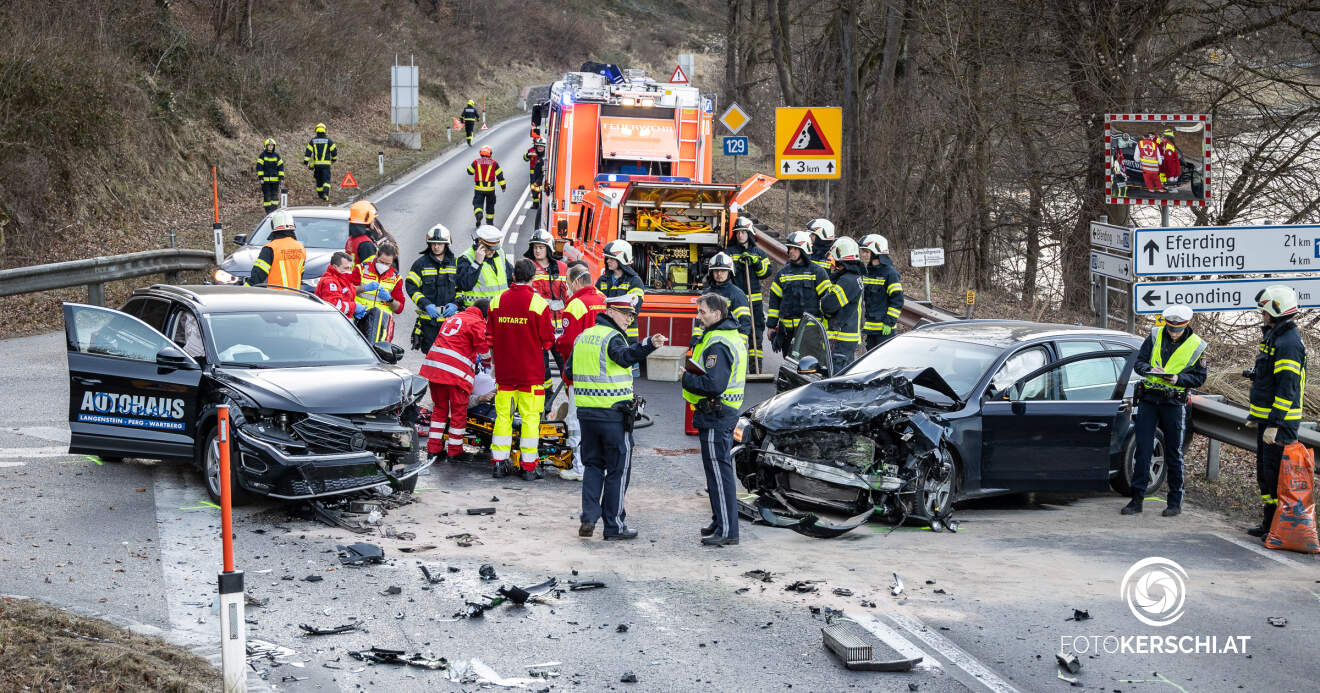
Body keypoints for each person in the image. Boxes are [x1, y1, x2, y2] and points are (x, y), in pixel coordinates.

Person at [574, 294, 666, 540]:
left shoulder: (583, 337)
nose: (629, 319)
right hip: (613, 415)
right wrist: (647, 344)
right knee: (618, 469)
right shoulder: (612, 337)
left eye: (632, 315)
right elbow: (624, 357)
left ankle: (589, 517)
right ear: (611, 311)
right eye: (626, 314)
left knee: (593, 466)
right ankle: (614, 526)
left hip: (586, 414)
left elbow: (568, 370)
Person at [1120, 305, 1206, 517]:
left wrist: (1179, 379)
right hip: (1150, 400)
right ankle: (1136, 500)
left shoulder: (1197, 345)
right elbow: (1138, 363)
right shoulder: (1156, 334)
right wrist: (1150, 370)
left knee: (1174, 453)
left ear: (1186, 326)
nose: (1173, 332)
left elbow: (1200, 377)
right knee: (1143, 449)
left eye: (1177, 329)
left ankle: (1175, 502)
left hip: (1174, 404)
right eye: (1170, 328)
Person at [682, 293, 748, 547]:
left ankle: (728, 531)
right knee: (715, 472)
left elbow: (713, 383)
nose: (698, 316)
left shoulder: (719, 343)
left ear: (717, 315)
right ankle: (720, 521)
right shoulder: (720, 336)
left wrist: (686, 377)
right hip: (719, 412)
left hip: (716, 412)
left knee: (719, 473)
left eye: (703, 312)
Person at [1245, 285, 1307, 539]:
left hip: (1280, 424)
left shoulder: (1288, 343)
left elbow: (1287, 388)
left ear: (1276, 310)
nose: (1262, 313)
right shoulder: (1275, 336)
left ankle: (1279, 528)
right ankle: (1269, 524)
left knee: (1277, 477)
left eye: (1265, 309)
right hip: (1268, 421)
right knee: (1266, 474)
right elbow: (1271, 377)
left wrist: (1274, 424)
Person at [487, 259, 556, 480]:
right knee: (530, 419)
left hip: (505, 373)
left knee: (503, 418)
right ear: (533, 277)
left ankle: (499, 463)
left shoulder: (496, 301)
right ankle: (528, 467)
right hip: (530, 375)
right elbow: (547, 341)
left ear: (513, 276)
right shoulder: (539, 304)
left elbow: (490, 337)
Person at [419, 300, 491, 463]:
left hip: (435, 370)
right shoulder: (477, 322)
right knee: (459, 412)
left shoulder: (454, 317)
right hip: (455, 373)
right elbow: (484, 349)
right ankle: (454, 451)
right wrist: (487, 364)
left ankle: (433, 450)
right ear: (485, 314)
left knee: (439, 409)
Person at [555, 265, 608, 482]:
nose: (567, 288)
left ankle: (580, 468)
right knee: (601, 421)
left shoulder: (576, 304)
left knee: (577, 421)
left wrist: (557, 343)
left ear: (575, 282)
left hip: (581, 374)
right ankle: (600, 465)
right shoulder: (604, 299)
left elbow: (568, 342)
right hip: (604, 371)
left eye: (568, 284)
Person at [765, 231, 830, 355]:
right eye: (790, 248)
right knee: (789, 365)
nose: (791, 252)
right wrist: (771, 326)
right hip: (787, 332)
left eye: (795, 248)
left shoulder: (817, 272)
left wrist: (826, 329)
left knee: (808, 366)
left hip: (810, 332)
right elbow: (774, 302)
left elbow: (827, 301)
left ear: (804, 249)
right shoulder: (782, 273)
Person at [727, 217, 771, 371]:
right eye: (738, 233)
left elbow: (766, 273)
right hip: (736, 302)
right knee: (734, 334)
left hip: (755, 302)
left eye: (743, 232)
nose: (740, 235)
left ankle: (755, 369)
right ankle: (733, 370)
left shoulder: (759, 253)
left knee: (755, 336)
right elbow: (726, 275)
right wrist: (738, 264)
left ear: (749, 233)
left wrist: (756, 262)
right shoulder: (729, 252)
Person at [406, 224, 460, 351]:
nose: (436, 247)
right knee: (431, 357)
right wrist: (425, 304)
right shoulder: (420, 264)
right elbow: (411, 286)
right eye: (433, 243)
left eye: (439, 244)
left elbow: (461, 289)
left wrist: (456, 305)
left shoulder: (455, 263)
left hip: (450, 322)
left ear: (446, 244)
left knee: (450, 357)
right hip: (429, 322)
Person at [820, 237, 865, 374]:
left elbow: (828, 305)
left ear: (841, 259)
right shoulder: (852, 278)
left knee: (835, 381)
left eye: (833, 260)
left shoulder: (847, 281)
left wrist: (823, 305)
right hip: (843, 339)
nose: (831, 265)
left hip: (840, 340)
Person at [691, 252, 751, 347]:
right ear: (711, 272)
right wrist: (696, 339)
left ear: (729, 272)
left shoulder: (737, 294)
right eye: (716, 270)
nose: (719, 274)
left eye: (723, 270)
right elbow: (700, 320)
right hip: (708, 341)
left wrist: (739, 344)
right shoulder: (706, 294)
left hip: (728, 343)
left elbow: (744, 322)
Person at [353, 242, 405, 343]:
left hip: (382, 322)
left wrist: (389, 299)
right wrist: (364, 288)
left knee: (380, 352)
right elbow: (347, 291)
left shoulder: (396, 278)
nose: (384, 265)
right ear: (376, 256)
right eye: (381, 262)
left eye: (387, 264)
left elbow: (399, 308)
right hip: (360, 316)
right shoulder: (361, 269)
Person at [595, 240, 645, 344]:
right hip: (604, 334)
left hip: (627, 337)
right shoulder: (603, 280)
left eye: (611, 258)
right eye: (607, 258)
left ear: (622, 259)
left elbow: (634, 309)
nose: (608, 261)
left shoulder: (634, 281)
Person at [859, 234, 904, 350]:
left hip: (884, 330)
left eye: (867, 252)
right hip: (870, 329)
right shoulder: (867, 272)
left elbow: (897, 300)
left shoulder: (890, 273)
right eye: (863, 252)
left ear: (877, 252)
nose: (864, 255)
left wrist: (889, 322)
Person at [457, 224, 513, 306]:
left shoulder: (500, 253)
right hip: (477, 312)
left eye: (495, 248)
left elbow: (510, 278)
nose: (493, 251)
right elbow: (464, 285)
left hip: (500, 309)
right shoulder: (466, 258)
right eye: (490, 248)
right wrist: (477, 263)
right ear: (480, 243)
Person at [247, 209, 305, 290]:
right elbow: (300, 274)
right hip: (295, 296)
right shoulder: (300, 248)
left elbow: (258, 275)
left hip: (276, 297)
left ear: (274, 226)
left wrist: (245, 289)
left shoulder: (271, 248)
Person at [316, 252, 363, 319]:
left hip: (342, 320)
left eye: (350, 268)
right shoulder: (330, 282)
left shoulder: (342, 278)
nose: (349, 271)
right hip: (333, 322)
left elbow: (347, 293)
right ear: (335, 267)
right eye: (346, 268)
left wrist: (364, 288)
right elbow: (334, 306)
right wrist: (354, 307)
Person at [467, 145, 506, 228]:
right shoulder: (494, 163)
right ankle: (489, 223)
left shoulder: (476, 162)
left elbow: (469, 171)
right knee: (490, 205)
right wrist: (503, 186)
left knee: (477, 204)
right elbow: (500, 176)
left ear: (481, 153)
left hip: (479, 189)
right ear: (490, 154)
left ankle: (479, 214)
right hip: (490, 190)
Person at [303, 123, 338, 202]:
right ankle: (325, 194)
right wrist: (334, 159)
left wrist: (306, 162)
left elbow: (308, 151)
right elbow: (334, 151)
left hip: (317, 165)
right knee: (326, 180)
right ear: (325, 130)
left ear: (316, 130)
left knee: (319, 180)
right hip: (326, 165)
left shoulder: (313, 140)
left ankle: (320, 194)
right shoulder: (329, 140)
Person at [345, 200, 380, 266]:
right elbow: (370, 270)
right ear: (368, 219)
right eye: (373, 218)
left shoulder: (351, 239)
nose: (374, 221)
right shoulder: (366, 244)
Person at [255, 138, 285, 213]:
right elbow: (259, 167)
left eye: (272, 145)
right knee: (267, 196)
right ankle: (268, 211)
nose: (271, 147)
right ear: (266, 146)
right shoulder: (262, 155)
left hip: (275, 181)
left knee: (275, 196)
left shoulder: (277, 155)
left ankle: (274, 210)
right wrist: (261, 178)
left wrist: (281, 177)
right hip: (265, 181)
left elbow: (281, 167)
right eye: (269, 145)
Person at [526, 137, 547, 228]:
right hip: (534, 177)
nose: (540, 148)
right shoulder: (535, 154)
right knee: (534, 191)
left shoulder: (544, 158)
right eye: (538, 146)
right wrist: (528, 155)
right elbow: (525, 158)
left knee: (540, 192)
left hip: (540, 180)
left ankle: (540, 206)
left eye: (541, 147)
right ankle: (536, 205)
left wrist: (538, 181)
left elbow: (543, 173)